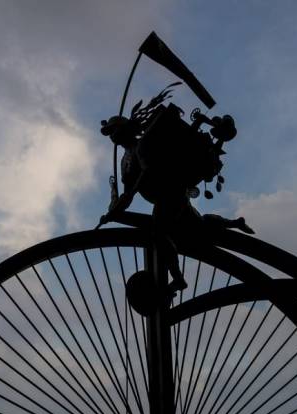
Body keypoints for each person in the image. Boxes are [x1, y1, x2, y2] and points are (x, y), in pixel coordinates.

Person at [99, 102, 254, 293]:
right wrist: (114, 204)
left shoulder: (144, 146)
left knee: (159, 233)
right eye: (110, 133)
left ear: (126, 130)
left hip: (170, 194)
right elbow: (127, 192)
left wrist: (127, 197)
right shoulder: (126, 161)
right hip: (164, 198)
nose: (112, 136)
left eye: (114, 130)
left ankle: (178, 278)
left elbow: (148, 171)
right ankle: (235, 223)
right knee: (200, 224)